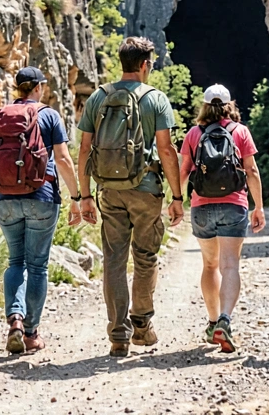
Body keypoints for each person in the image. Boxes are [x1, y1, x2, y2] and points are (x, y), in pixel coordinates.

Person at [76, 36, 184, 357]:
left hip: (108, 189)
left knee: (114, 259)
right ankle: (141, 323)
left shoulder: (98, 97)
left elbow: (84, 149)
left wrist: (84, 196)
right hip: (146, 190)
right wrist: (177, 196)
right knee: (145, 257)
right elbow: (166, 150)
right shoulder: (156, 98)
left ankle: (118, 334)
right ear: (144, 65)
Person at [0, 66, 83, 354]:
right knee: (37, 266)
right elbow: (62, 159)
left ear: (17, 87)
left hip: (5, 199)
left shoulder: (1, 116)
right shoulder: (49, 115)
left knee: (15, 262)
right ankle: (31, 334)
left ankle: (15, 320)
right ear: (39, 88)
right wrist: (77, 197)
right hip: (42, 197)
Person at [177, 84, 266, 353]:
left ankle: (212, 320)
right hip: (234, 204)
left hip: (201, 206)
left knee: (209, 265)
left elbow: (183, 170)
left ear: (204, 106)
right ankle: (225, 321)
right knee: (230, 266)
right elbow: (251, 170)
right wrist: (258, 206)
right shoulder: (240, 132)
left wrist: (174, 201)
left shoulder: (194, 133)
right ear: (230, 105)